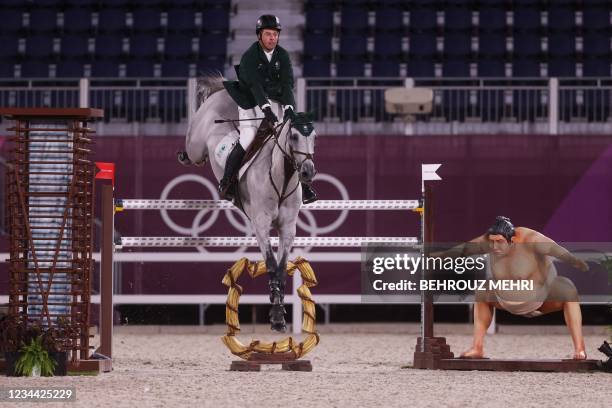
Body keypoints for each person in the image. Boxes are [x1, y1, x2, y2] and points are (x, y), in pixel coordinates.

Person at [441, 216, 590, 360]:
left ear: (512, 240)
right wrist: (439, 257)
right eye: (492, 242)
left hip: (540, 299)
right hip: (505, 300)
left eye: (499, 242)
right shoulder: (490, 241)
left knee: (568, 289)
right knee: (483, 290)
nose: (494, 247)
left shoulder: (531, 239)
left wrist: (575, 261)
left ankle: (580, 349)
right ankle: (477, 347)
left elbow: (556, 249)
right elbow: (465, 249)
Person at [221, 14, 317, 203]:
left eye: (275, 34)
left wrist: (289, 108)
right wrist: (266, 109)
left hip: (276, 101)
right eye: (268, 34)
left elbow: (287, 83)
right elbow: (255, 86)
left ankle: (305, 186)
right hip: (250, 101)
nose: (272, 38)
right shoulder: (250, 56)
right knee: (249, 137)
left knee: (290, 137)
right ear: (259, 36)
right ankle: (227, 183)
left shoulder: (282, 55)